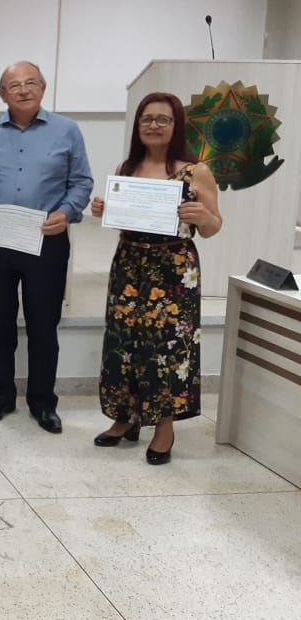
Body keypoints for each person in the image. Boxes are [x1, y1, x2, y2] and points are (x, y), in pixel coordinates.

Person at [0, 61, 93, 434]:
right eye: (14, 85)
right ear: (2, 95)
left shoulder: (67, 130)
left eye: (31, 83)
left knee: (43, 325)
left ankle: (43, 402)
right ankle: (0, 396)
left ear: (43, 88)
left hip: (46, 242)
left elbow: (81, 182)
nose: (23, 90)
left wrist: (66, 212)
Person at [91, 93, 221, 464]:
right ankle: (124, 418)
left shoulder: (196, 170)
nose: (153, 125)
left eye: (163, 119)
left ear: (176, 124)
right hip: (129, 264)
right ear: (138, 125)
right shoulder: (126, 168)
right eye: (147, 119)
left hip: (174, 269)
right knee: (123, 340)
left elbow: (213, 227)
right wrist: (104, 208)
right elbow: (119, 220)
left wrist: (200, 215)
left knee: (166, 348)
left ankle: (164, 426)